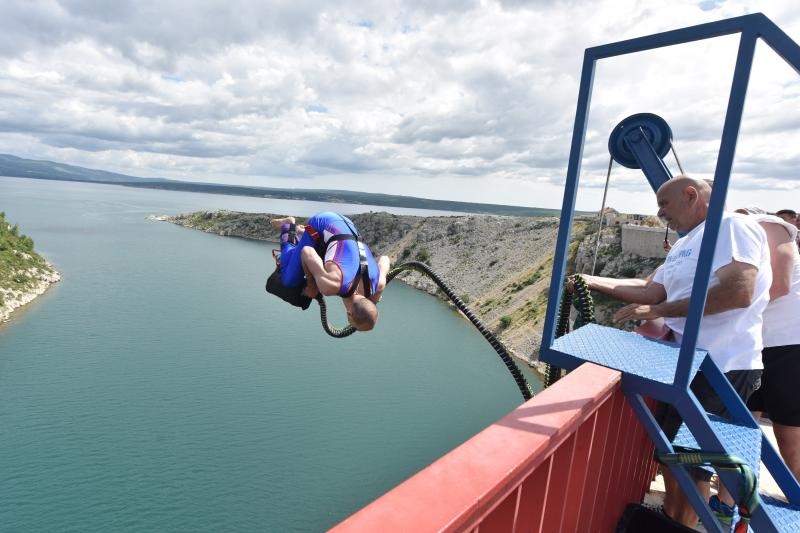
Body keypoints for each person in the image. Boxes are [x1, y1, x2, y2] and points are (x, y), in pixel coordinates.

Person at [571, 176, 770, 528]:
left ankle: (681, 524)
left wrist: (663, 313)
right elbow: (651, 291)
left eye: (664, 204)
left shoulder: (730, 227)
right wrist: (591, 280)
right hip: (685, 364)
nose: (659, 212)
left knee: (692, 462)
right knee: (672, 458)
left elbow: (739, 291)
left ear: (691, 195)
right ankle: (673, 521)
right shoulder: (685, 244)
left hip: (723, 363)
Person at [736, 207, 800, 482]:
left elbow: (780, 286)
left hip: (787, 344)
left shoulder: (766, 225)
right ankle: (735, 500)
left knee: (788, 434)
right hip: (756, 346)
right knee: (743, 427)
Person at [270, 212, 390, 331]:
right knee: (289, 280)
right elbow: (307, 252)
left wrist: (377, 295)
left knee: (329, 260)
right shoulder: (330, 286)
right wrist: (311, 285)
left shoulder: (378, 285)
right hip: (321, 223)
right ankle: (288, 227)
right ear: (349, 314)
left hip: (346, 225)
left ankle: (304, 234)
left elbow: (385, 259)